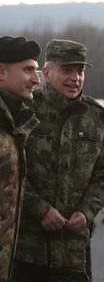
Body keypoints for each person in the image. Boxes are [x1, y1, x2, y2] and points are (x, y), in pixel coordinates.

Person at [14, 39, 104, 282]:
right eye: (67, 70)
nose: (76, 78)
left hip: (73, 251)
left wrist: (87, 210)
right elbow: (10, 170)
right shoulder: (24, 110)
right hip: (26, 248)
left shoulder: (96, 116)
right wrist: (39, 209)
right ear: (47, 74)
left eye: (80, 71)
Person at [0, 36, 41, 282]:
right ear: (1, 72)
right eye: (28, 70)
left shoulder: (14, 122)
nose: (36, 80)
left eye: (37, 71)